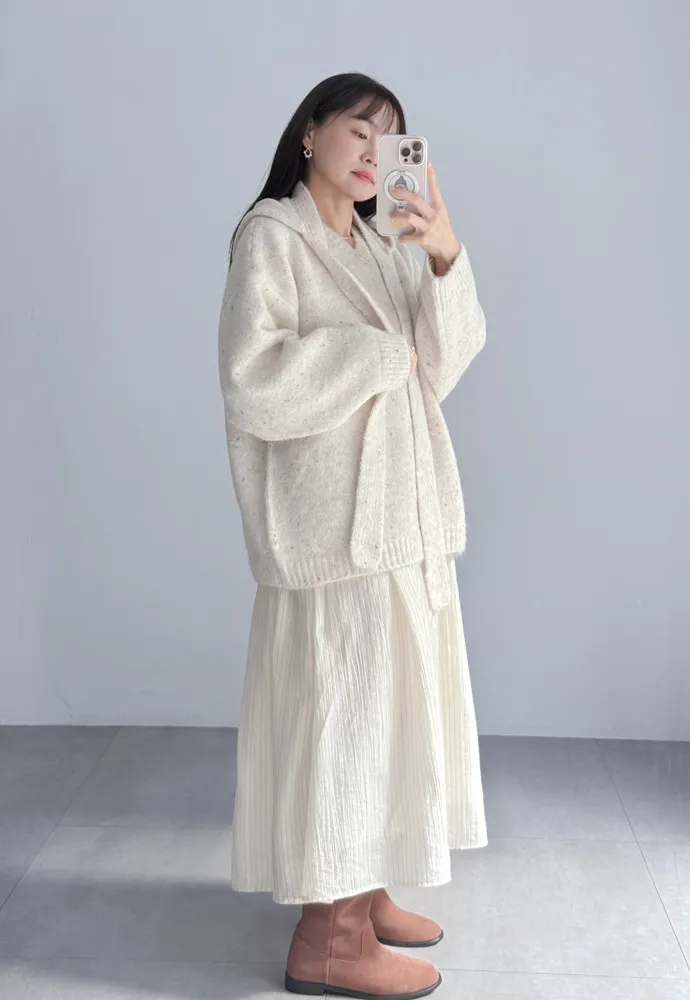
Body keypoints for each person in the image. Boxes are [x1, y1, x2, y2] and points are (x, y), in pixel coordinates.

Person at [217, 71, 488, 1000]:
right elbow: (252, 378)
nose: (377, 155)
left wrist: (443, 255)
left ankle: (361, 891)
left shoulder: (382, 244)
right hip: (333, 524)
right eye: (360, 133)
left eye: (393, 139)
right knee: (345, 715)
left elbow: (437, 367)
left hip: (400, 514)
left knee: (384, 712)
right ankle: (327, 939)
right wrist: (372, 354)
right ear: (311, 133)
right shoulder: (272, 237)